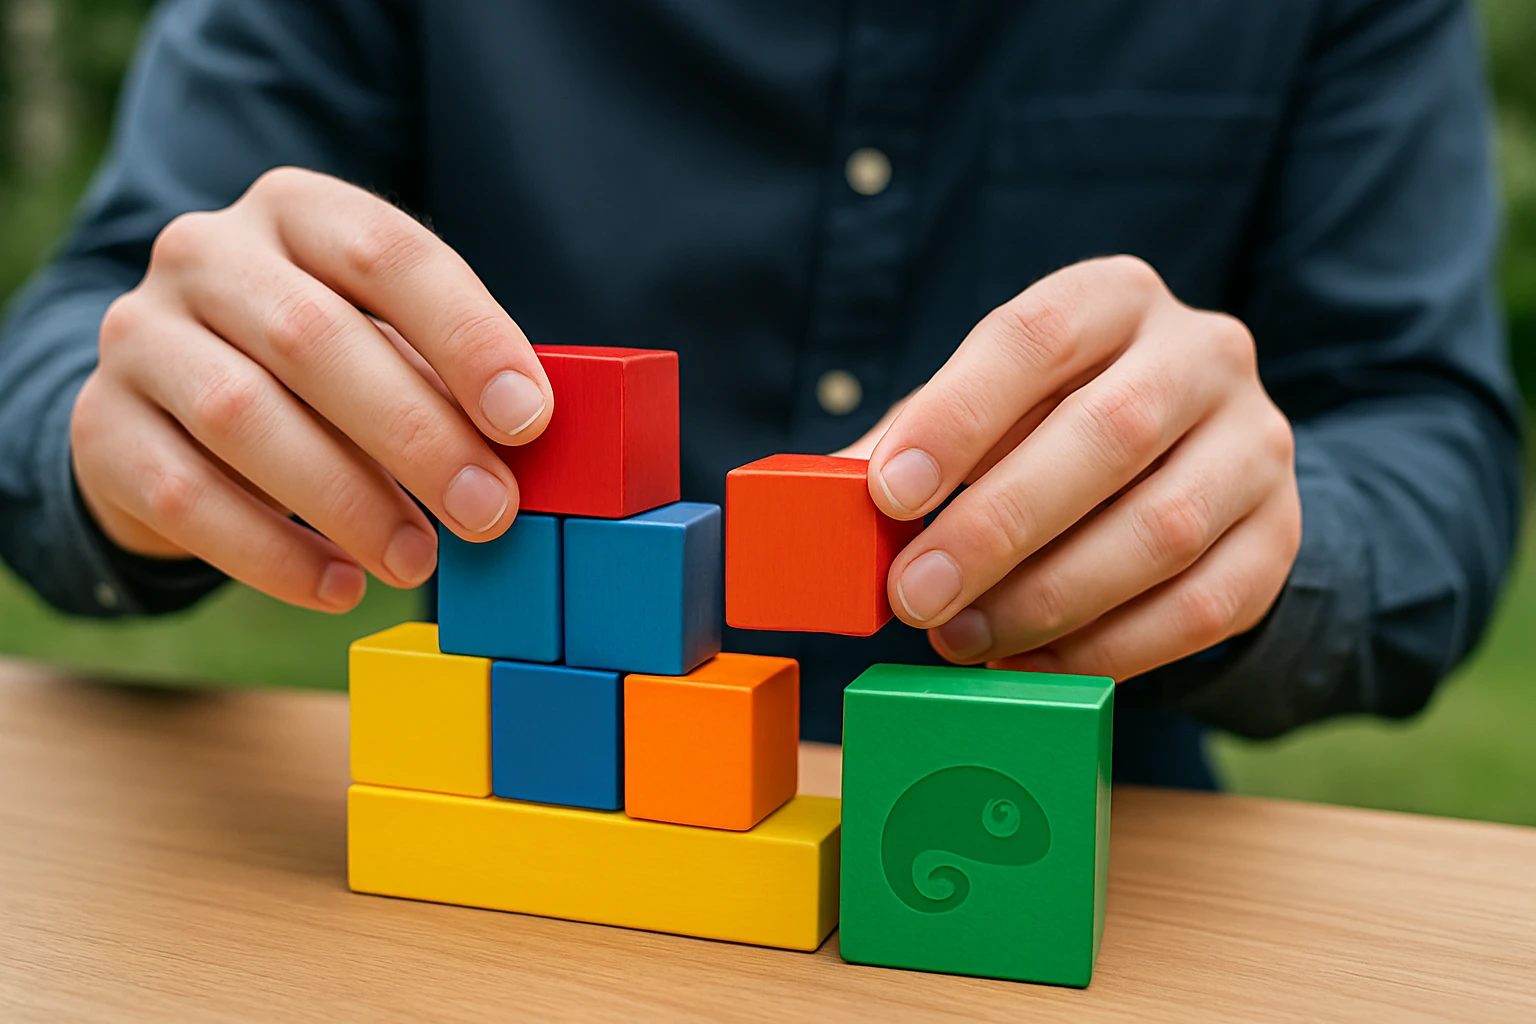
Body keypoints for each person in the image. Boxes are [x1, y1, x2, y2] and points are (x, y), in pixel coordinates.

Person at [0, 1, 1520, 789]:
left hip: (1070, 858)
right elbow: (94, 325)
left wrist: (1248, 540)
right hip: (527, 841)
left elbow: (1426, 434)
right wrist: (129, 435)